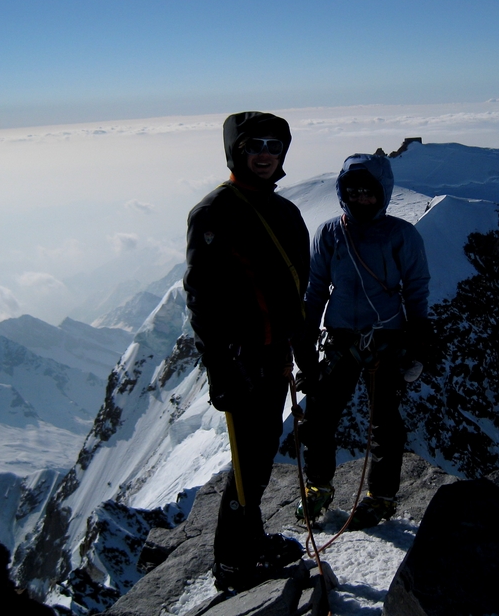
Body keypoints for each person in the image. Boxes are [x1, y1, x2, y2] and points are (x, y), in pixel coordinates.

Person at [183, 111, 316, 591]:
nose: (265, 153)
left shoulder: (285, 212)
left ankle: (249, 541)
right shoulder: (214, 213)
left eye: (274, 145)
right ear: (237, 151)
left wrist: (303, 353)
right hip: (241, 361)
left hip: (273, 356)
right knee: (248, 461)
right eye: (254, 144)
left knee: (256, 461)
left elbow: (293, 291)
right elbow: (202, 297)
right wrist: (220, 367)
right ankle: (235, 562)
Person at [296, 153, 431, 530]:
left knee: (383, 424)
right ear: (342, 193)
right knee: (320, 417)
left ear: (382, 193)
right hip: (341, 339)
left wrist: (418, 341)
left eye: (367, 192)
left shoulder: (401, 235)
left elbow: (416, 290)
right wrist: (305, 335)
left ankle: (380, 497)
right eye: (352, 191)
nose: (360, 198)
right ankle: (318, 487)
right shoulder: (328, 233)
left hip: (386, 340)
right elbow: (316, 287)